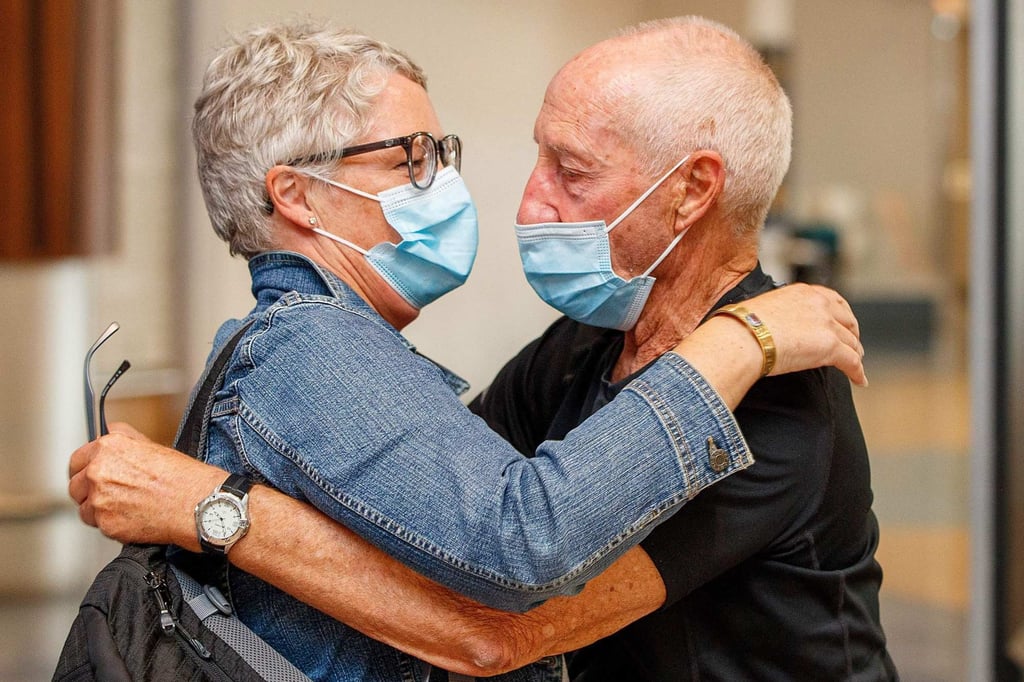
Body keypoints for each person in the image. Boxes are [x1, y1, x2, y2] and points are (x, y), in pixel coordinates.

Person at [68, 17, 876, 682]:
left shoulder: (775, 396)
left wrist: (210, 507)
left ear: (691, 191)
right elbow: (466, 527)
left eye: (571, 168)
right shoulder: (577, 348)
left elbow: (495, 625)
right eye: (409, 159)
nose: (527, 201)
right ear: (297, 195)